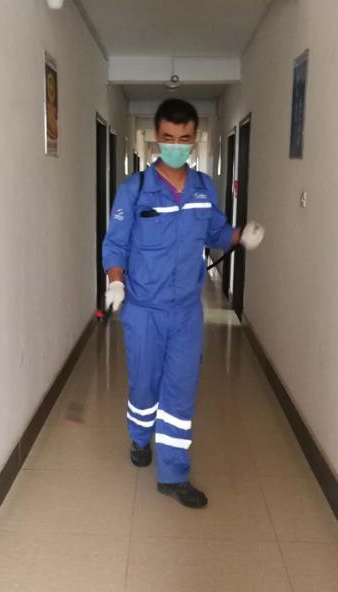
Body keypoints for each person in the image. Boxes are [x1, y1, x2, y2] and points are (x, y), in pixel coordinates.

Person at [102, 99, 265, 508]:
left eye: (184, 138)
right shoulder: (135, 190)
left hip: (187, 312)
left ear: (194, 139)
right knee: (144, 385)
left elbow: (216, 232)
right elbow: (116, 244)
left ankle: (173, 474)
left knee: (179, 392)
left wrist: (240, 235)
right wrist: (115, 283)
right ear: (158, 138)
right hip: (143, 310)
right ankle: (140, 437)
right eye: (169, 138)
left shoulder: (203, 188)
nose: (176, 145)